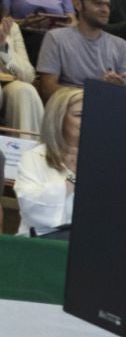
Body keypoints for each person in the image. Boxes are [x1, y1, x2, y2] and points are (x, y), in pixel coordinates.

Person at [15, 84, 79, 237]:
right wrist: (71, 180)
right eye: (79, 115)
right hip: (43, 240)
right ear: (59, 118)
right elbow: (30, 209)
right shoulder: (34, 157)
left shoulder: (103, 159)